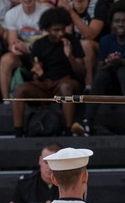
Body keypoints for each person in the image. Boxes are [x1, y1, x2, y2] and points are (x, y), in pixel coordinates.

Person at [77, 6, 125, 136]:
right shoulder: (106, 40)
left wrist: (123, 61)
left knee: (123, 71)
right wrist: (109, 62)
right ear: (112, 23)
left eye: (124, 21)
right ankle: (87, 121)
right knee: (103, 74)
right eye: (117, 21)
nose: (120, 24)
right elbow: (99, 68)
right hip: (117, 84)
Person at [10, 8, 85, 137]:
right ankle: (18, 132)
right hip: (46, 83)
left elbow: (82, 73)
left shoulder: (72, 41)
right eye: (56, 30)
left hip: (67, 82)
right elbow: (35, 74)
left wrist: (70, 57)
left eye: (63, 29)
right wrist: (37, 72)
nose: (61, 33)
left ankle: (68, 131)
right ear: (47, 29)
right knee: (19, 89)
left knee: (65, 87)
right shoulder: (39, 45)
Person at [0, 0, 49, 97]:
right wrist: (16, 48)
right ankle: (6, 100)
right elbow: (12, 43)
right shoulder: (11, 14)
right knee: (6, 60)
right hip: (23, 55)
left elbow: (47, 43)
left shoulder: (46, 12)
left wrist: (30, 51)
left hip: (42, 55)